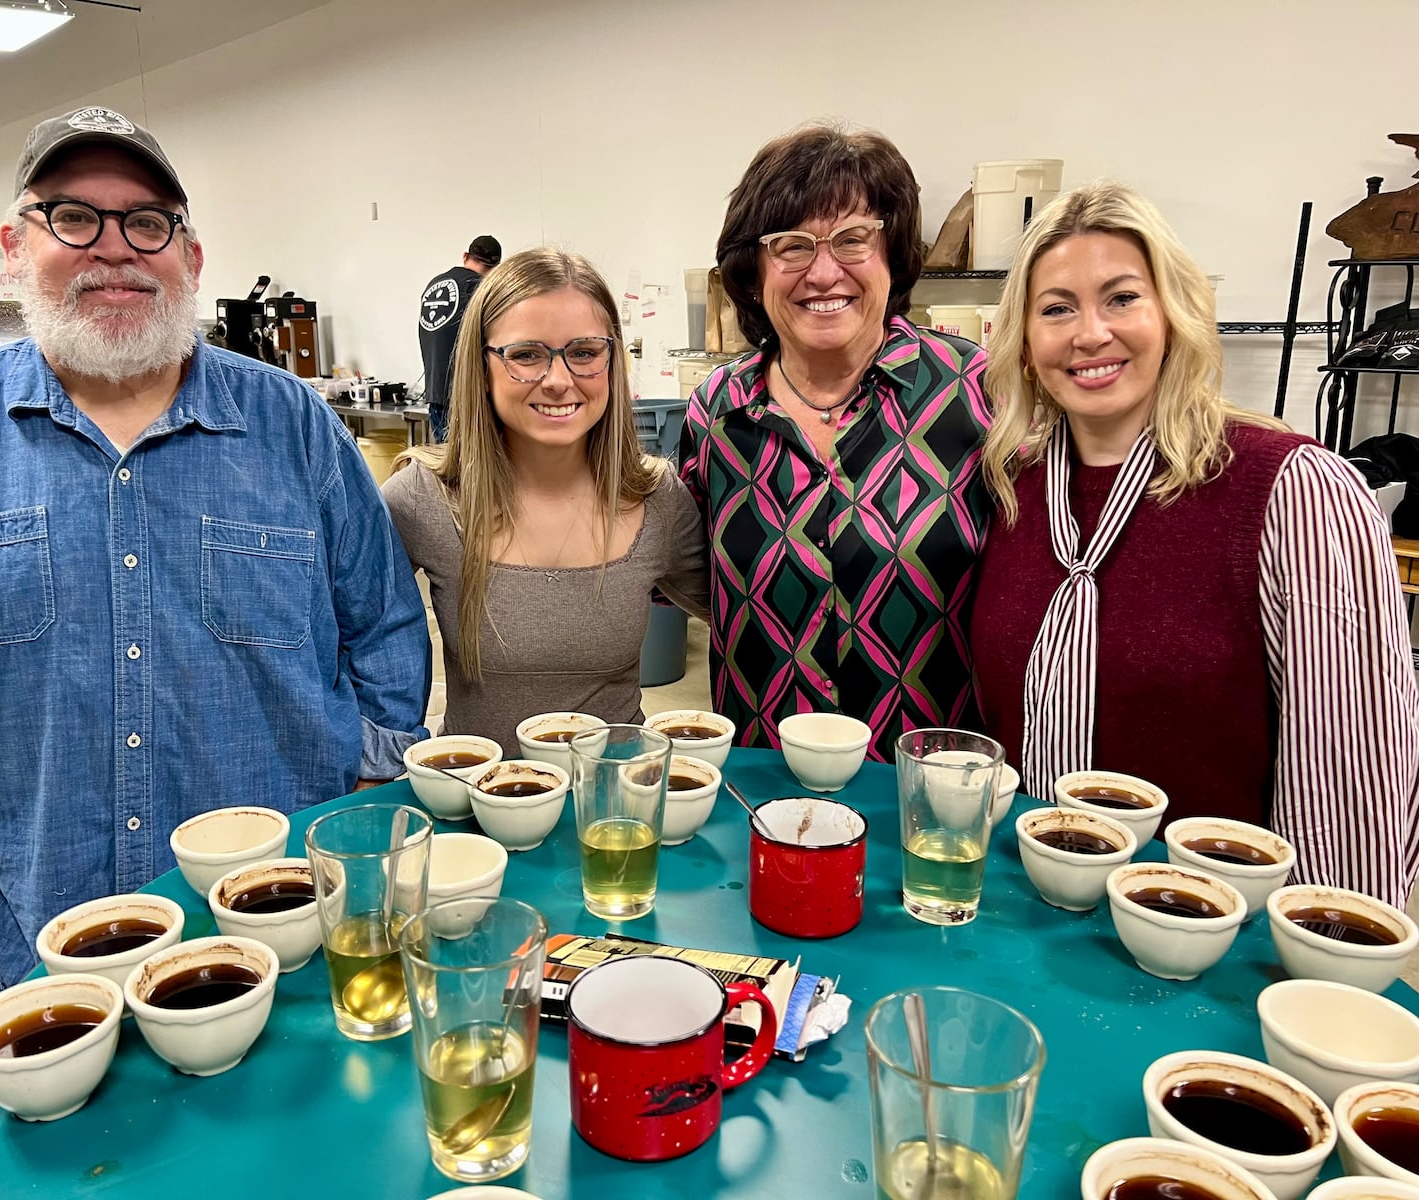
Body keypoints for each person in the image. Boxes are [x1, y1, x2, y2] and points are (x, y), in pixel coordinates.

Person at [0, 106, 431, 989]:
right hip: (49, 944)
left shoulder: (295, 426)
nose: (115, 249)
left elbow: (387, 639)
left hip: (294, 933)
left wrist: (355, 851)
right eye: (74, 217)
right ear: (13, 246)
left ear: (190, 256)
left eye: (147, 222)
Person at [971, 179, 1419, 905]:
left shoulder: (1290, 492)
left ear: (1174, 315)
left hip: (1212, 950)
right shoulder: (1012, 496)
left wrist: (1324, 966)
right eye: (1057, 309)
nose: (1090, 333)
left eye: (1121, 298)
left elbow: (1352, 781)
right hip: (1030, 920)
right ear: (1024, 345)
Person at [679, 124, 991, 762]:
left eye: (853, 239)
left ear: (892, 253)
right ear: (755, 269)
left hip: (928, 802)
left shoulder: (976, 395)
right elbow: (691, 577)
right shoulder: (718, 412)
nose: (824, 272)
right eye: (792, 245)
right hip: (763, 787)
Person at [383, 247, 709, 751]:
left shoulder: (657, 498)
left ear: (611, 359)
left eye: (583, 352)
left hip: (616, 812)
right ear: (482, 365)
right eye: (526, 355)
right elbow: (342, 634)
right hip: (475, 810)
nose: (558, 381)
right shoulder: (424, 499)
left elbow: (750, 617)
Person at [419, 234, 502, 441]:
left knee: (445, 463)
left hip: (435, 392)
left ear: (466, 256)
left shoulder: (434, 285)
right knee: (470, 466)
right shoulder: (482, 290)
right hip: (468, 397)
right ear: (496, 268)